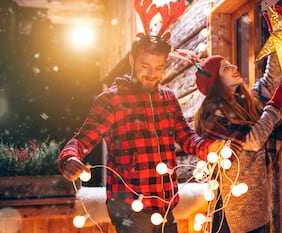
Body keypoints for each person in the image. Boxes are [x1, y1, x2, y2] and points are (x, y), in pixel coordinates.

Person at [58, 33, 222, 233]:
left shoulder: (168, 99)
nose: (152, 74)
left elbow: (186, 136)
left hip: (165, 204)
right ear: (131, 60)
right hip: (129, 207)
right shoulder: (112, 100)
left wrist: (208, 149)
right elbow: (82, 140)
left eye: (159, 68)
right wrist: (69, 158)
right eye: (145, 66)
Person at [194, 54, 282, 233]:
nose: (233, 66)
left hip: (257, 206)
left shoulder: (246, 103)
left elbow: (271, 78)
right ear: (215, 83)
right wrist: (274, 105)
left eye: (230, 63)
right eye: (225, 68)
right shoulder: (213, 117)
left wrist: (279, 38)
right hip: (234, 214)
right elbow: (253, 141)